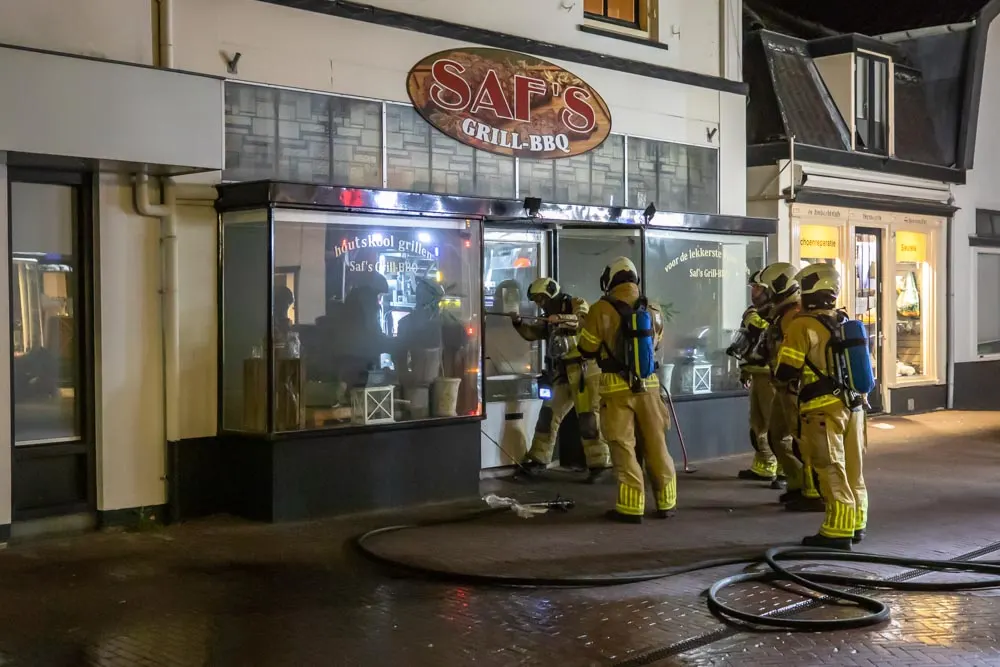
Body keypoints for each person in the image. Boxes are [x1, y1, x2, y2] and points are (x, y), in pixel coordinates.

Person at [774, 263, 868, 549]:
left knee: (830, 467)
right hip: (854, 406)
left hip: (822, 409)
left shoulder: (802, 325)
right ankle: (856, 522)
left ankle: (837, 531)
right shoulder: (843, 321)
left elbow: (786, 370)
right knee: (854, 468)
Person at [577, 257, 676, 523]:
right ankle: (666, 502)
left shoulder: (600, 309)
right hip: (650, 386)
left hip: (615, 388)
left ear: (609, 280)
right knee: (656, 444)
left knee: (623, 447)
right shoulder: (653, 308)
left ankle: (631, 507)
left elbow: (586, 349)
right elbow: (655, 346)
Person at [512, 277, 612, 483]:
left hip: (585, 371)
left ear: (551, 294)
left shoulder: (576, 303)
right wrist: (518, 323)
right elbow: (534, 333)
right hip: (564, 372)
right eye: (536, 300)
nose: (539, 304)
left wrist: (561, 318)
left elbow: (582, 320)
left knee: (588, 419)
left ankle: (600, 465)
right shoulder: (548, 316)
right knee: (548, 415)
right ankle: (538, 459)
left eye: (541, 299)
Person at [757, 262, 823, 511]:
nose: (763, 295)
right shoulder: (782, 314)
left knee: (801, 441)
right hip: (782, 387)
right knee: (777, 436)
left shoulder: (794, 314)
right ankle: (796, 484)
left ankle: (812, 492)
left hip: (795, 388)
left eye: (766, 289)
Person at [727, 269, 780, 482]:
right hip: (757, 374)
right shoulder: (753, 312)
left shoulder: (777, 313)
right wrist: (745, 370)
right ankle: (764, 465)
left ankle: (784, 471)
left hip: (771, 376)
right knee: (757, 424)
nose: (754, 292)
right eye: (753, 288)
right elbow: (747, 343)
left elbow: (767, 334)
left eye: (758, 288)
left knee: (774, 424)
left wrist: (753, 318)